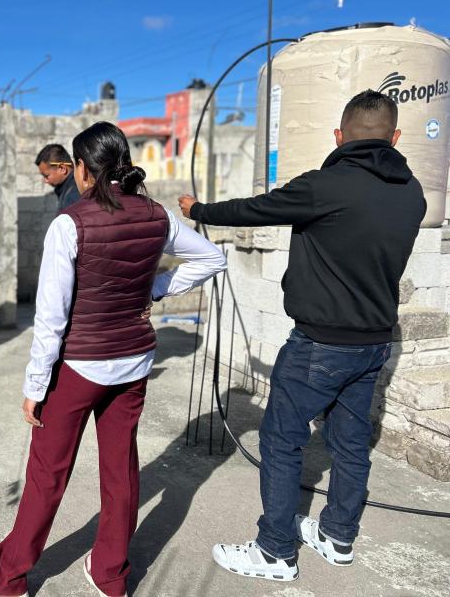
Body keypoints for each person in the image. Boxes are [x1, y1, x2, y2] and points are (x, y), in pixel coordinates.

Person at [0, 122, 226, 597]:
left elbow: (51, 317)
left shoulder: (70, 223)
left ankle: (6, 579)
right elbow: (212, 259)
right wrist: (155, 289)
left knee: (47, 477)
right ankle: (110, 575)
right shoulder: (158, 215)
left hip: (79, 367)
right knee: (121, 470)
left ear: (81, 168)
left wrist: (35, 386)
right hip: (135, 361)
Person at [177, 90, 426, 582]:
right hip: (374, 343)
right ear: (395, 138)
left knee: (281, 440)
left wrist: (199, 208)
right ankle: (337, 537)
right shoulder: (413, 192)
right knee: (351, 443)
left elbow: (256, 209)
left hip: (319, 344)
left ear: (338, 136)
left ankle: (274, 551)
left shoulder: (325, 185)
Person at [35, 143, 81, 210]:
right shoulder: (66, 189)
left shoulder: (74, 194)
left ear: (62, 169)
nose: (45, 180)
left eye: (46, 176)